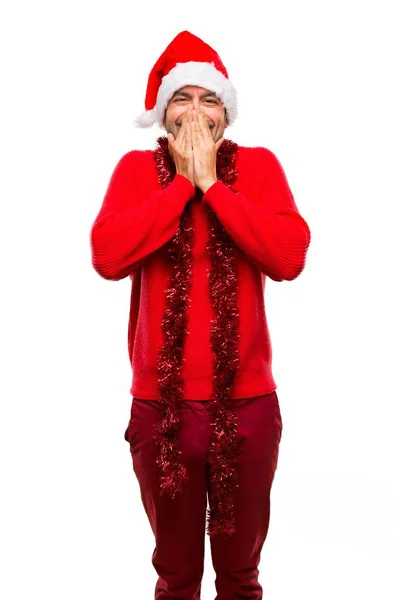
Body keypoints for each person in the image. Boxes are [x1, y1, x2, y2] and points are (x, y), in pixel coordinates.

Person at [89, 29, 311, 600]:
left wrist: (212, 185)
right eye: (181, 98)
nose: (195, 109)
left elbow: (287, 258)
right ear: (163, 115)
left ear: (226, 116)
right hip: (161, 409)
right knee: (177, 577)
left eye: (208, 98)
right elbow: (109, 257)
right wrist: (181, 185)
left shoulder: (259, 169)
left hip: (249, 405)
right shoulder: (137, 173)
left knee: (240, 577)